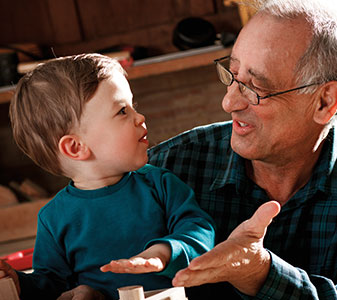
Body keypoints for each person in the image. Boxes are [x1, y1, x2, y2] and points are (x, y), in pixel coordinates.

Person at [150, 0, 337, 298]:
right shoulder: (165, 170)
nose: (229, 103)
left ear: (325, 101)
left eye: (255, 88)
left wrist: (260, 273)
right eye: (232, 74)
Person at [0, 53, 215, 300]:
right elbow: (50, 285)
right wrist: (19, 283)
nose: (140, 117)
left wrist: (163, 253)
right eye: (123, 111)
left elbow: (200, 231)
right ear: (75, 148)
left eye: (134, 106)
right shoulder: (53, 219)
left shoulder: (161, 184)